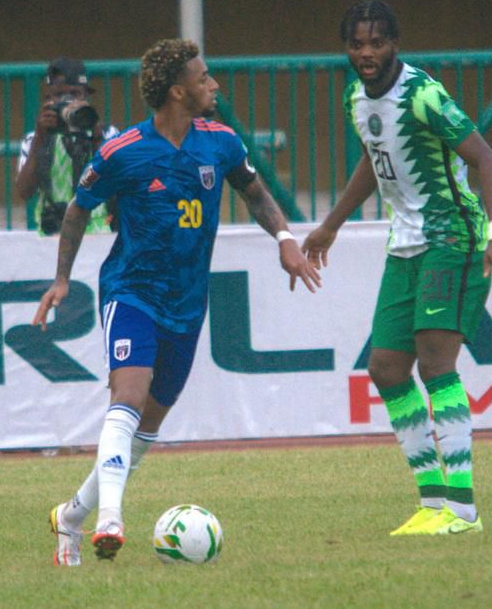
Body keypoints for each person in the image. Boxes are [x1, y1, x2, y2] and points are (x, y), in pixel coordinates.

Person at [34, 39, 322, 565]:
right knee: (127, 395)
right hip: (132, 292)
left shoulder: (221, 143)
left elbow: (255, 193)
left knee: (147, 427)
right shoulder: (123, 153)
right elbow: (77, 210)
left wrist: (284, 241)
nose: (214, 85)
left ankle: (71, 516)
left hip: (187, 305)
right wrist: (62, 279)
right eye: (205, 77)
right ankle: (110, 521)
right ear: (178, 91)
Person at [301, 0, 492, 536]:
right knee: (385, 368)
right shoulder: (356, 97)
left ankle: (463, 510)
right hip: (406, 245)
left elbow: (484, 158)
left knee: (435, 365)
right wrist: (330, 224)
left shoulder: (423, 94)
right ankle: (432, 501)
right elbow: (375, 163)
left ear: (395, 43)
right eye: (357, 44)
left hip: (452, 237)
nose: (366, 53)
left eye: (376, 42)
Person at [16, 57, 118, 235]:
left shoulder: (108, 134)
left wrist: (96, 138)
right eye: (59, 95)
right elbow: (24, 191)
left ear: (86, 96)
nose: (68, 101)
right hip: (50, 234)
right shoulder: (34, 139)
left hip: (97, 232)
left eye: (75, 94)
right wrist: (40, 138)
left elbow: (116, 184)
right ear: (48, 99)